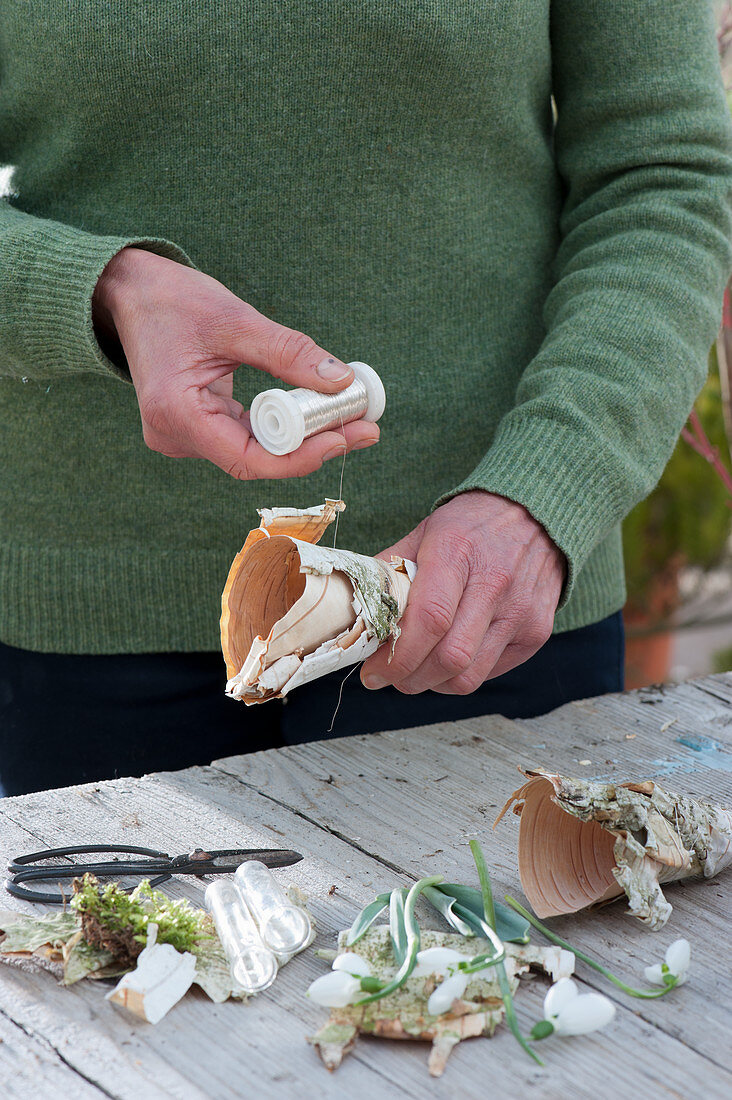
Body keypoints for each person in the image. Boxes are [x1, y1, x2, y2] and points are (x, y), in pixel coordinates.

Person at [1, 2, 731, 796]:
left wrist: (546, 489)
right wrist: (101, 291)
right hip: (84, 621)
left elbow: (662, 175)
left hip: (476, 603)